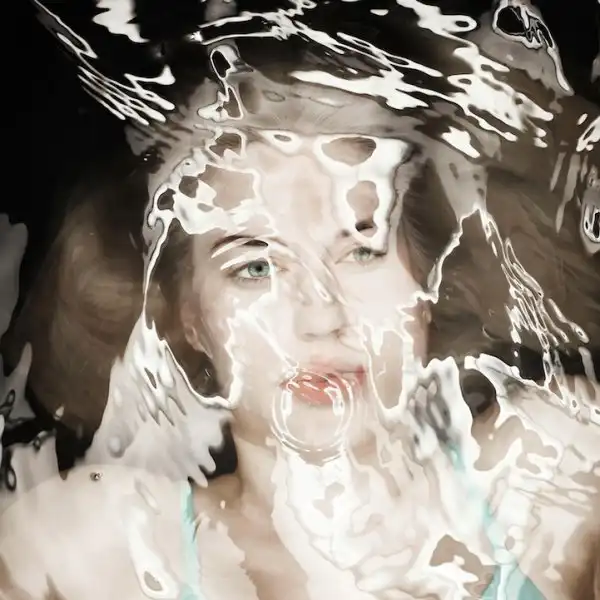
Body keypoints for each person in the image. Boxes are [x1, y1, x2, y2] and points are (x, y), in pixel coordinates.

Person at [1, 28, 600, 600]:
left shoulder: (550, 464)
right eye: (255, 267)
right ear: (188, 317)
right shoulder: (100, 548)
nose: (321, 316)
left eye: (361, 248)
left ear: (427, 276)